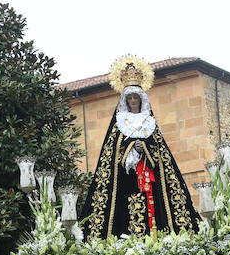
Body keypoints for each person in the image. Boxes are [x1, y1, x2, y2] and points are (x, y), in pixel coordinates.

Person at [80, 58, 202, 238]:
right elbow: (112, 153)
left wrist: (144, 147)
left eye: (135, 97)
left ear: (141, 99)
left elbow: (160, 152)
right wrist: (129, 148)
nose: (133, 101)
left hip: (150, 175)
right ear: (126, 101)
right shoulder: (119, 124)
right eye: (129, 98)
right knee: (125, 204)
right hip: (126, 177)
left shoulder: (149, 122)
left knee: (154, 203)